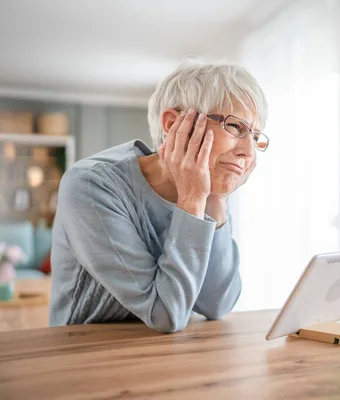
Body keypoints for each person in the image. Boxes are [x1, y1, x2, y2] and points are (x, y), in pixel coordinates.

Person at [49, 60, 269, 333]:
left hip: (166, 356)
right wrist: (192, 199)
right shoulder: (90, 186)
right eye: (236, 127)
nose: (249, 151)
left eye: (256, 136)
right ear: (173, 124)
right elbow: (164, 314)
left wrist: (217, 201)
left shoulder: (206, 189)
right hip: (81, 355)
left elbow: (217, 304)